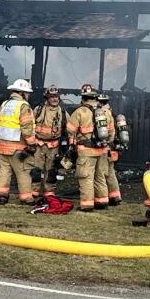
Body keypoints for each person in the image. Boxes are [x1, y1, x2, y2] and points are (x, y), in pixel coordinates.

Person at [0, 78, 38, 205]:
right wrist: (32, 144)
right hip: (18, 148)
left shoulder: (4, 104)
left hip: (3, 146)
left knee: (4, 171)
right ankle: (26, 198)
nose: (28, 95)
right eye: (27, 93)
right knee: (23, 172)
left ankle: (2, 195)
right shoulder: (23, 106)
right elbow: (27, 128)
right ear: (22, 93)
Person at [66, 83, 109, 211]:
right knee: (100, 176)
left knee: (86, 177)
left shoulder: (80, 112)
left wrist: (72, 144)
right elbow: (111, 131)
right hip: (102, 149)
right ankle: (102, 201)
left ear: (83, 98)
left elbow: (70, 130)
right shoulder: (105, 112)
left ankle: (87, 205)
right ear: (95, 98)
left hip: (86, 151)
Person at [31, 85, 68, 200]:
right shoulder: (38, 109)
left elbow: (70, 128)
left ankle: (49, 192)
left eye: (56, 96)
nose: (55, 99)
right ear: (47, 97)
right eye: (52, 96)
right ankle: (34, 191)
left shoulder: (63, 112)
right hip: (38, 144)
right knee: (36, 169)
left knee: (51, 170)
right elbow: (30, 125)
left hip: (54, 145)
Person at [96, 93, 124, 206]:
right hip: (113, 148)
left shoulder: (101, 113)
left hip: (106, 147)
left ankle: (102, 199)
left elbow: (106, 133)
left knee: (101, 173)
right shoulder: (112, 112)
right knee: (110, 172)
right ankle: (115, 196)